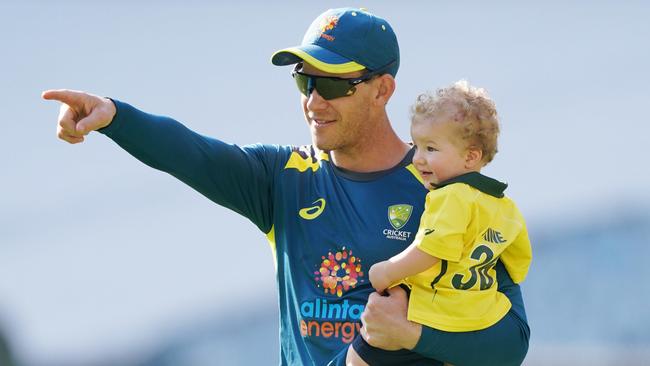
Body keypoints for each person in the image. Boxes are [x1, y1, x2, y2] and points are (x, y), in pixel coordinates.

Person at [42, 7, 529, 366]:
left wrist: (411, 335)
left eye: (333, 84)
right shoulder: (284, 180)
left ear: (382, 89)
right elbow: (195, 154)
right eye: (304, 82)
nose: (314, 101)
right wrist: (115, 117)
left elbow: (511, 340)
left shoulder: (448, 193)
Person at [346, 81, 532, 366]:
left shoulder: (450, 196)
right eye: (416, 145)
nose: (418, 158)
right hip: (479, 310)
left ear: (471, 156)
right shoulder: (503, 205)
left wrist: (387, 271)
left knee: (358, 355)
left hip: (437, 307)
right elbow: (519, 262)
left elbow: (431, 248)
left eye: (430, 148)